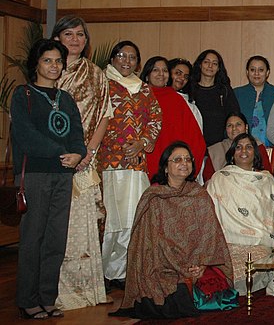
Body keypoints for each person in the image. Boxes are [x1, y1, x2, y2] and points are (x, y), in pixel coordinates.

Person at [117, 142, 235, 319]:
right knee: (163, 301)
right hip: (161, 265)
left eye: (188, 159)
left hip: (196, 264)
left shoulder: (199, 194)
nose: (184, 163)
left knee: (203, 295)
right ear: (166, 167)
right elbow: (149, 243)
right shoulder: (154, 197)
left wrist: (202, 264)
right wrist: (178, 266)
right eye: (177, 159)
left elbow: (210, 234)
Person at [12, 39, 86, 320]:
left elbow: (76, 133)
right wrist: (60, 152)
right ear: (36, 64)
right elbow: (25, 134)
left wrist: (78, 153)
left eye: (58, 61)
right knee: (33, 237)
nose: (54, 66)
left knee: (56, 239)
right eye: (47, 61)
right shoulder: (23, 94)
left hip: (63, 175)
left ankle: (47, 297)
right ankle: (28, 299)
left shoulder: (65, 98)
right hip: (36, 174)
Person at [50, 16, 112, 310]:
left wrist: (87, 152)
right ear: (57, 38)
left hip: (86, 160)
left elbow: (104, 116)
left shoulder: (96, 74)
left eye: (80, 35)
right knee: (55, 226)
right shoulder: (49, 70)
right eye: (68, 34)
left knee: (85, 225)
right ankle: (55, 290)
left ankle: (86, 290)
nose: (75, 40)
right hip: (51, 160)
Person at [99, 41, 162, 287]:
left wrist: (142, 142)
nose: (127, 61)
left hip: (136, 164)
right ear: (113, 58)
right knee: (109, 217)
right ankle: (103, 271)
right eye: (122, 55)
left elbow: (156, 119)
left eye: (132, 57)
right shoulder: (102, 84)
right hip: (107, 164)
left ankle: (124, 271)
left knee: (133, 217)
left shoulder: (144, 89)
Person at [207, 133, 274, 294]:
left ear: (255, 152)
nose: (243, 151)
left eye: (248, 147)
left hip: (258, 241)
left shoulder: (266, 179)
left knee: (259, 259)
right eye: (238, 147)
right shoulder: (219, 178)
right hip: (229, 243)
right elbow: (210, 216)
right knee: (224, 266)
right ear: (232, 153)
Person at [141, 56, 207, 182]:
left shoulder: (176, 99)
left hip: (172, 169)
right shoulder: (137, 97)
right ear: (147, 74)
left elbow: (196, 140)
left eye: (165, 70)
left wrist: (187, 169)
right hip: (141, 164)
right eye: (155, 70)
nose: (161, 74)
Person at [233, 56, 274, 147]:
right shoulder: (237, 94)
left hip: (273, 149)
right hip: (243, 148)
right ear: (247, 72)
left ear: (267, 73)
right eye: (252, 70)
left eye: (261, 70)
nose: (256, 73)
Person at [189, 49, 240, 146]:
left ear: (218, 68)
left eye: (214, 63)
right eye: (206, 62)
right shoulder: (190, 89)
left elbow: (234, 116)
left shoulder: (224, 90)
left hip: (219, 147)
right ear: (200, 65)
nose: (210, 66)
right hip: (194, 143)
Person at [206, 112, 274, 175]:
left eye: (238, 124)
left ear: (246, 127)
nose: (234, 128)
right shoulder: (216, 150)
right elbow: (208, 179)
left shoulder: (257, 145)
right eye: (229, 125)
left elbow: (267, 174)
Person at [168, 57, 203, 127]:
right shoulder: (153, 97)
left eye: (186, 77)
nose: (182, 78)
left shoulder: (190, 105)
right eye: (178, 73)